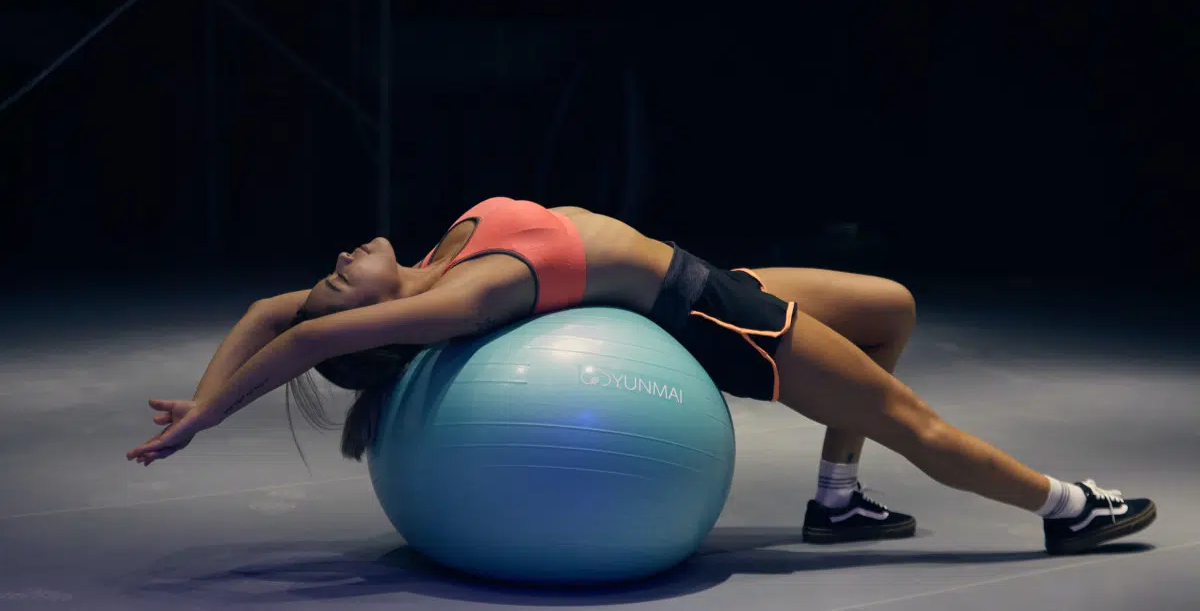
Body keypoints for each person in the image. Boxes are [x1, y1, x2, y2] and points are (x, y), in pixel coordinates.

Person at [127, 197, 1155, 555]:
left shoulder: (433, 263)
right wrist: (210, 418)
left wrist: (205, 384)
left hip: (701, 277)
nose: (337, 259)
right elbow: (300, 340)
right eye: (336, 281)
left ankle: (837, 505)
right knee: (911, 420)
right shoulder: (448, 300)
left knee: (892, 307)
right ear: (374, 320)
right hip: (713, 318)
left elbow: (273, 315)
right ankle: (1065, 504)